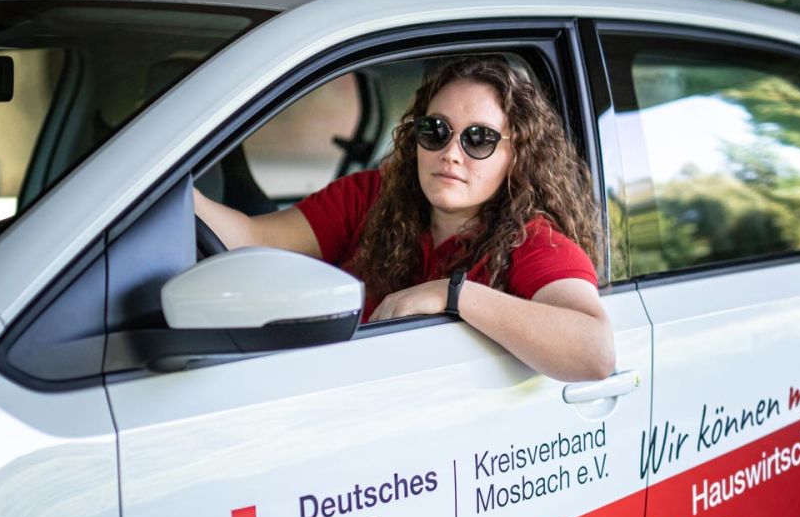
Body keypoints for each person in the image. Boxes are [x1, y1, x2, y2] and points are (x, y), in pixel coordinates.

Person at [193, 56, 614, 382]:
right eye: (436, 130)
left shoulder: (534, 241)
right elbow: (249, 239)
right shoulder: (371, 196)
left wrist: (454, 296)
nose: (451, 152)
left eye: (479, 139)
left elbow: (595, 352)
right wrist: (170, 184)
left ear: (516, 154)